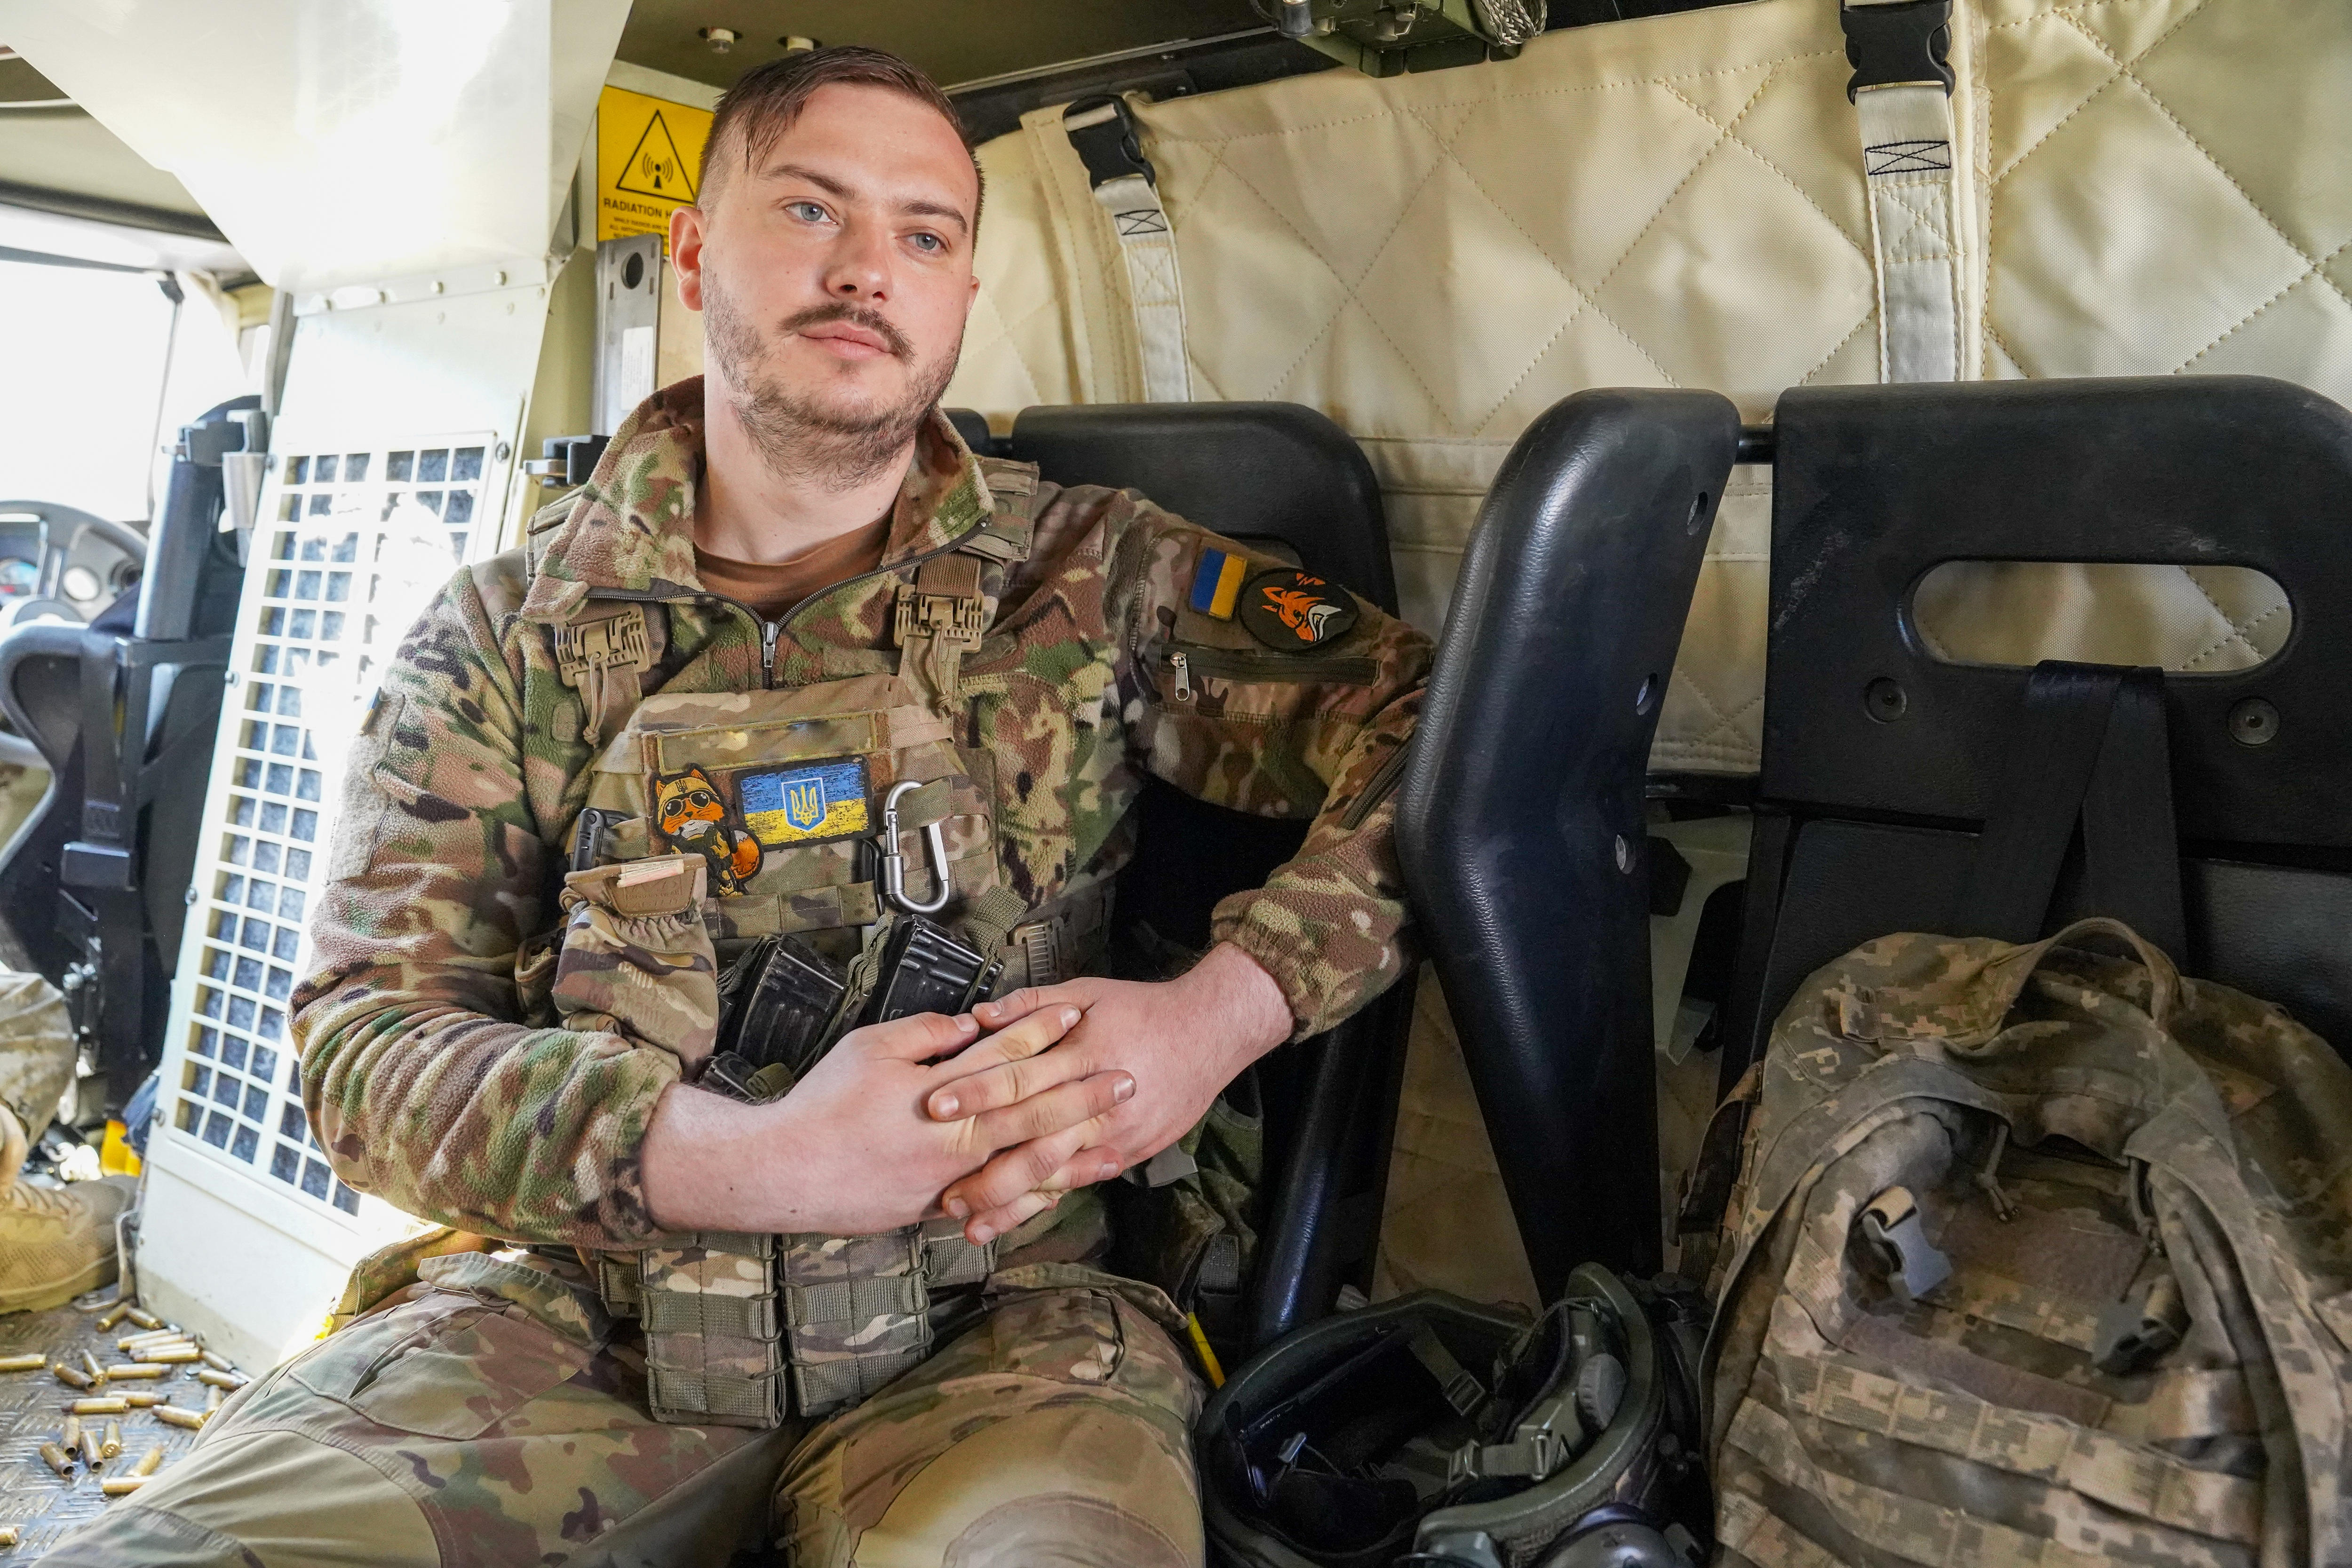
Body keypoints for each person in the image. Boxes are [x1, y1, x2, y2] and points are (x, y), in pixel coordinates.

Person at [48, 44, 1429, 1568]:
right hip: (587, 1323)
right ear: (700, 252)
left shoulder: (1094, 573)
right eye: (811, 209)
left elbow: (1448, 744)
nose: (868, 271)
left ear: (965, 294)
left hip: (1007, 1324)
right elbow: (368, 1052)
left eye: (925, 234)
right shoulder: (506, 632)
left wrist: (1220, 1013)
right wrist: (741, 1161)